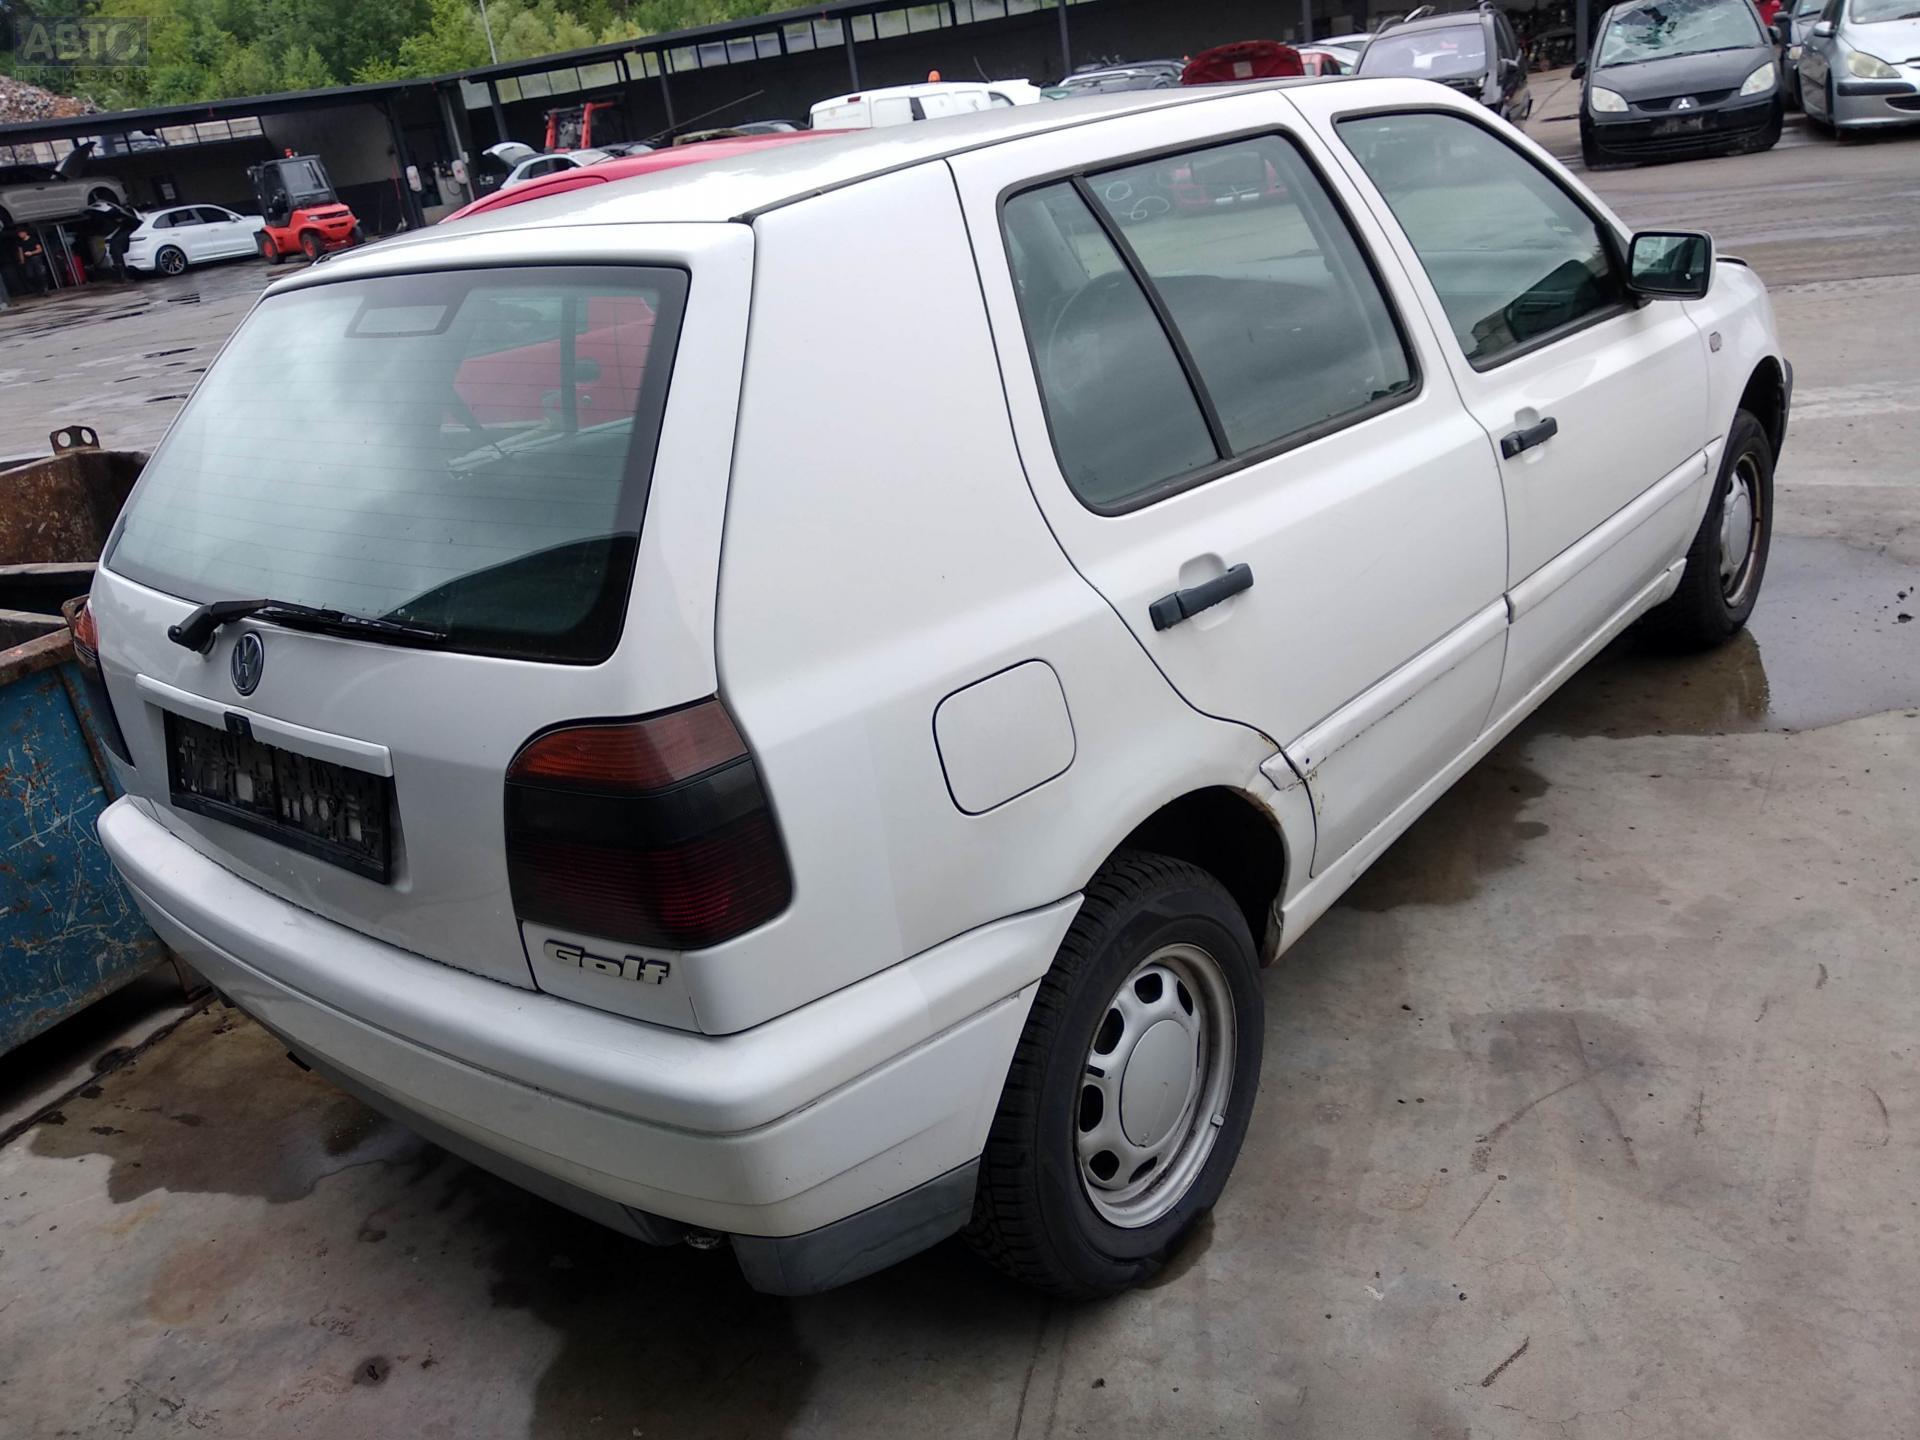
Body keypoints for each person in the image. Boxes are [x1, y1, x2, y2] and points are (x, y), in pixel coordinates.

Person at [11, 227, 50, 295]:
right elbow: (20, 251)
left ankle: (45, 289)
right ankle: (39, 288)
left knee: (40, 274)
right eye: (19, 234)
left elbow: (40, 249)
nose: (20, 235)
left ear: (25, 233)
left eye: (21, 233)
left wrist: (31, 253)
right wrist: (22, 260)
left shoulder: (33, 239)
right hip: (27, 260)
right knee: (29, 276)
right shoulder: (20, 242)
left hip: (36, 258)